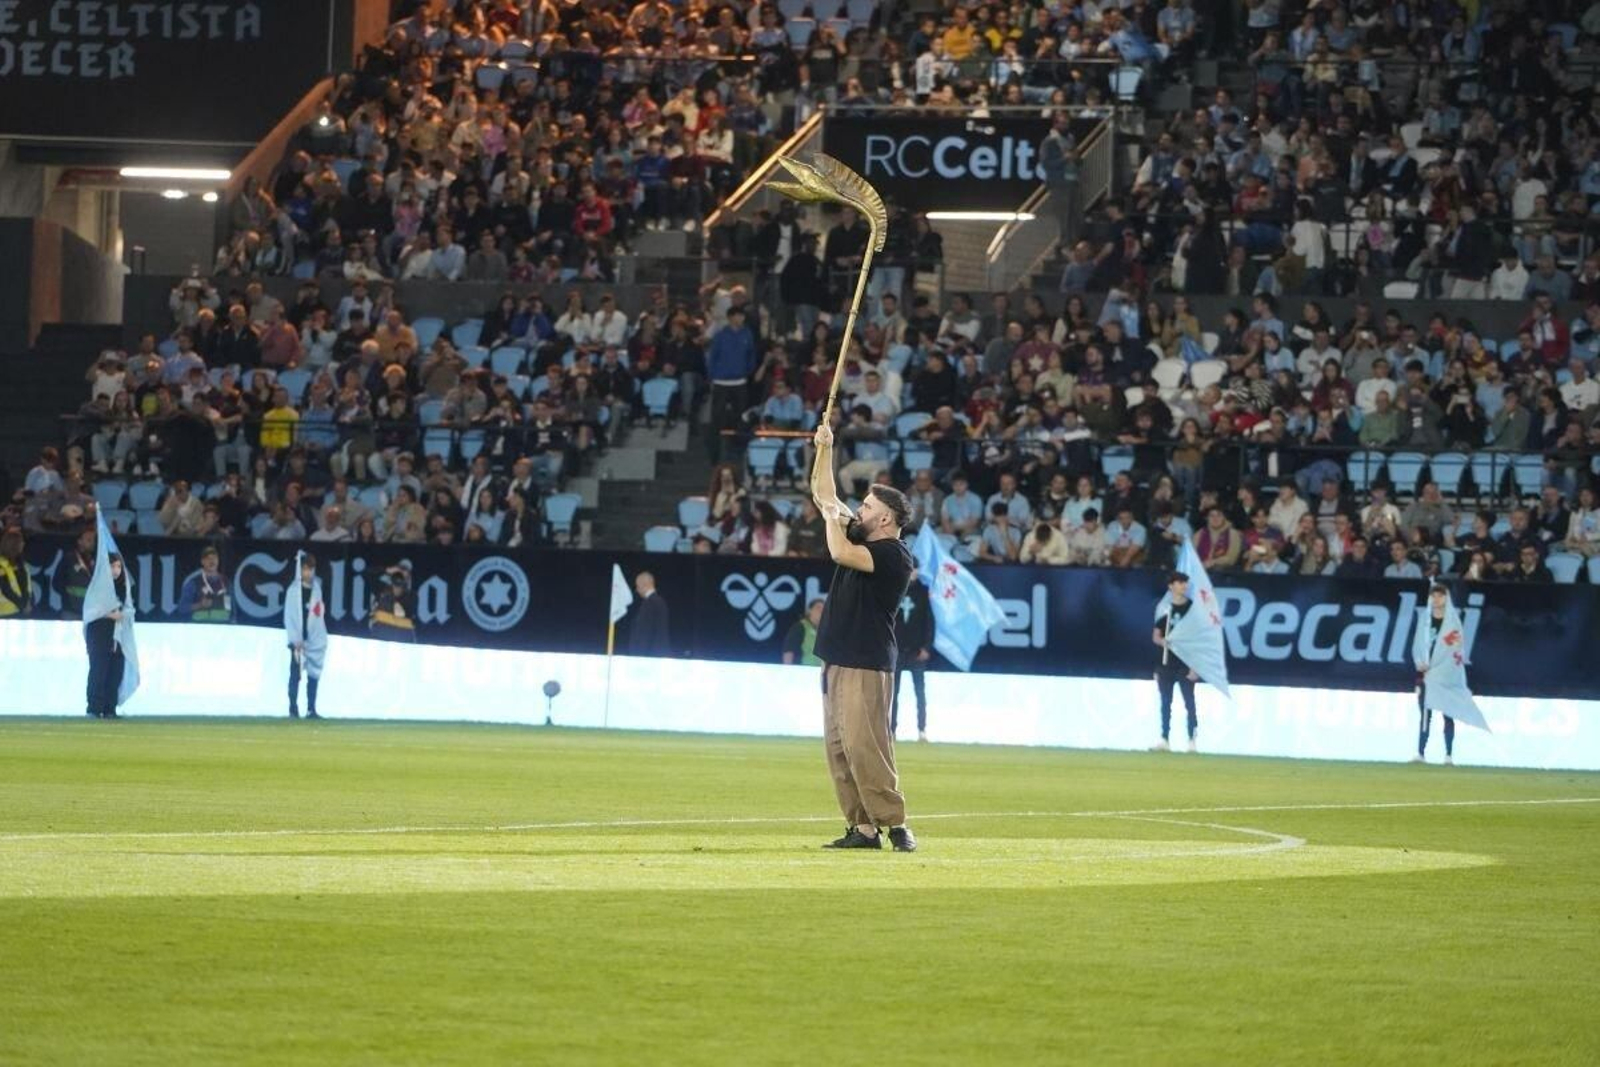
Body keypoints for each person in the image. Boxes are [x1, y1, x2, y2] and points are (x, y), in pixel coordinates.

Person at [809, 419, 917, 852]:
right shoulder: (864, 535)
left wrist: (832, 515)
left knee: (865, 745)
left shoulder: (894, 555)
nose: (860, 510)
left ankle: (896, 825)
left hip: (864, 660)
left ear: (886, 517)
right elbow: (824, 495)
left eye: (868, 506)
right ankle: (862, 829)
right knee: (839, 750)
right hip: (837, 657)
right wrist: (825, 449)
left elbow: (839, 549)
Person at [82, 515, 139, 719]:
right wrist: (108, 614)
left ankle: (109, 708)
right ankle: (94, 707)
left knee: (115, 671)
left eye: (118, 567)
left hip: (118, 634)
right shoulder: (97, 588)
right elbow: (91, 610)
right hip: (101, 633)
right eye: (112, 566)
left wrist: (122, 614)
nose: (115, 570)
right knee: (99, 669)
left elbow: (130, 609)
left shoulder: (124, 588)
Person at [1151, 570, 1199, 753]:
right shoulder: (1165, 609)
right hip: (1166, 662)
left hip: (1186, 662)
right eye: (1179, 583)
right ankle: (1164, 738)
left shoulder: (1192, 609)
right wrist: (1164, 642)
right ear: (1171, 586)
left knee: (1189, 702)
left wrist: (1195, 666)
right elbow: (1156, 636)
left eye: (1185, 583)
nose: (1183, 586)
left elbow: (1198, 639)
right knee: (1165, 701)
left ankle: (1192, 739)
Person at [1413, 581, 1460, 765]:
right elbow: (1417, 645)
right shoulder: (1425, 621)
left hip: (1446, 676)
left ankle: (1448, 754)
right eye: (1433, 596)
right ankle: (1420, 753)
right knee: (1425, 714)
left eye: (1440, 595)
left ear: (1446, 598)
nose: (1436, 599)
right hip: (1426, 675)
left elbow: (1456, 649)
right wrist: (1419, 663)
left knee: (1448, 714)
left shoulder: (1452, 622)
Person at [284, 551, 328, 719]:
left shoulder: (317, 589)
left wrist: (317, 637)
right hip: (297, 642)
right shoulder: (293, 591)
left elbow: (318, 616)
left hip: (313, 640)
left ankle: (311, 708)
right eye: (304, 569)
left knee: (313, 675)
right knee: (295, 675)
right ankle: (293, 709)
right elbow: (290, 616)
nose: (308, 572)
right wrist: (295, 639)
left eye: (310, 569)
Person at [892, 570, 933, 742]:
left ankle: (922, 730)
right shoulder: (894, 589)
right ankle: (891, 729)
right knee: (893, 693)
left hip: (916, 651)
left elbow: (929, 622)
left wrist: (926, 647)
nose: (912, 573)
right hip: (897, 651)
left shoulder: (923, 592)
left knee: (920, 693)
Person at [177, 546, 233, 622]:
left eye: (214, 558)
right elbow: (182, 608)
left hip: (223, 627)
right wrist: (200, 605)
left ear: (218, 560)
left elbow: (233, 609)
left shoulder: (226, 582)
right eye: (208, 559)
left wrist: (233, 624)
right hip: (201, 628)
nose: (212, 561)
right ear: (202, 562)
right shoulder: (193, 583)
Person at [628, 571, 672, 655]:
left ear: (644, 584)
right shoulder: (661, 602)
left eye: (638, 586)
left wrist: (638, 655)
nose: (637, 590)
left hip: (650, 656)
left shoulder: (650, 603)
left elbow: (645, 633)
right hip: (659, 653)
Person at [782, 598, 825, 666]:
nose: (821, 611)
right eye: (818, 608)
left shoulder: (825, 631)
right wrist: (788, 670)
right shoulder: (800, 627)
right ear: (809, 610)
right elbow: (789, 650)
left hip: (818, 671)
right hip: (803, 671)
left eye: (824, 609)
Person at [0, 525, 29, 618]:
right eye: (21, 542)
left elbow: (25, 584)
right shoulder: (1, 564)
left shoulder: (20, 563)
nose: (23, 544)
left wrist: (26, 602)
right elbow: (6, 589)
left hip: (19, 609)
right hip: (4, 611)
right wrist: (22, 604)